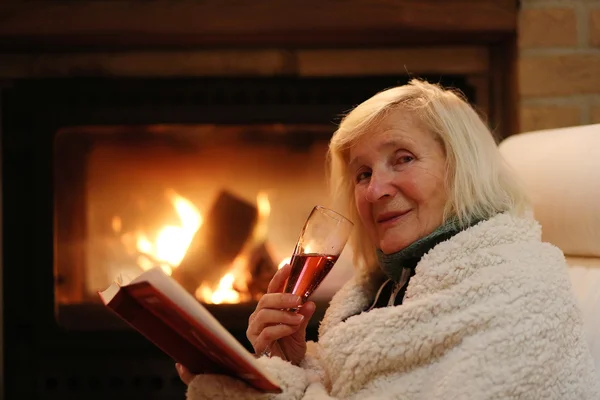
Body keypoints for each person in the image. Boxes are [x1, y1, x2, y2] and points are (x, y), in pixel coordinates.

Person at [177, 79, 600, 399]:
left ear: (462, 168)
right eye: (363, 173)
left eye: (403, 159)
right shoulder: (384, 286)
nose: (375, 190)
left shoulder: (519, 292)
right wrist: (289, 363)